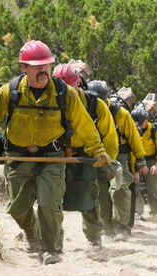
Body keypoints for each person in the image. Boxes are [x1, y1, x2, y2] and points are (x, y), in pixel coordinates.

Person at [0, 40, 111, 265]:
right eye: (37, 66)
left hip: (52, 158)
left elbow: (85, 125)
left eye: (47, 65)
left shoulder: (65, 94)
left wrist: (98, 151)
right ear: (24, 67)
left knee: (49, 204)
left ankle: (49, 250)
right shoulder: (11, 91)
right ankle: (30, 231)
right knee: (18, 207)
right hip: (16, 157)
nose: (43, 69)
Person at [52, 63, 118, 251]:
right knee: (51, 199)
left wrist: (109, 162)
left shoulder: (95, 104)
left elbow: (110, 135)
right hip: (55, 154)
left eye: (68, 88)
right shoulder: (49, 102)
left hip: (88, 156)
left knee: (89, 199)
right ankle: (54, 240)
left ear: (78, 85)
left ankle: (94, 239)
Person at [88, 80, 147, 242]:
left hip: (118, 155)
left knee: (119, 189)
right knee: (101, 194)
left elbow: (134, 138)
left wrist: (139, 160)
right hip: (97, 154)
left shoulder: (120, 113)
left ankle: (122, 227)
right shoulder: (87, 111)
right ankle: (107, 228)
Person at [131, 108, 157, 219]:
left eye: (140, 124)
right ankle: (136, 212)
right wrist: (135, 169)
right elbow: (131, 149)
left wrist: (156, 165)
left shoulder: (155, 131)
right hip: (135, 158)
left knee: (153, 187)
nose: (138, 126)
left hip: (152, 160)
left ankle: (156, 213)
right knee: (132, 185)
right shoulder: (132, 130)